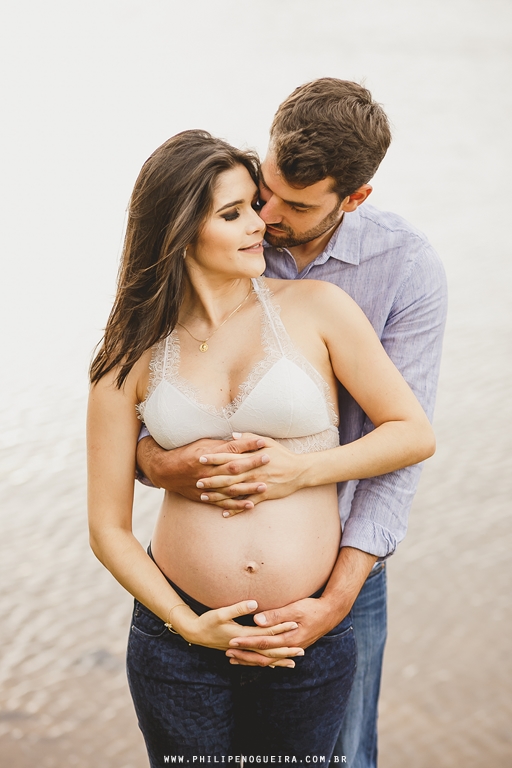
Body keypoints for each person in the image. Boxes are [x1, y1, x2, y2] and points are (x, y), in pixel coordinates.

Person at [87, 128, 435, 762]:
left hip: (301, 633)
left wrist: (299, 472)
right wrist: (188, 623)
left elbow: (412, 432)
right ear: (179, 229)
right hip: (178, 639)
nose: (261, 225)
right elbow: (107, 528)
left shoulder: (319, 308)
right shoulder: (129, 351)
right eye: (234, 213)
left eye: (255, 205)